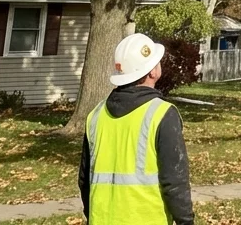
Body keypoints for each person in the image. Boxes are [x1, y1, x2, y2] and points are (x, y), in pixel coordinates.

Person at [79, 32, 193, 225]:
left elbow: (84, 180)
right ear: (152, 72)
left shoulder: (95, 115)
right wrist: (186, 221)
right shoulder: (163, 114)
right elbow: (174, 181)